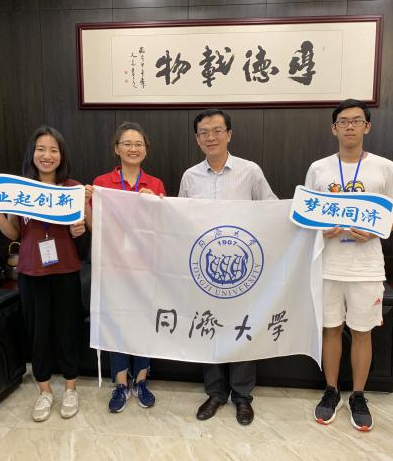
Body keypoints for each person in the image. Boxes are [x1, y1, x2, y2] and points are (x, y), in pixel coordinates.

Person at [0, 126, 86, 422]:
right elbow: (15, 232)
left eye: (53, 150)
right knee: (37, 332)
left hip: (65, 270)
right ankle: (44, 391)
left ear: (61, 155)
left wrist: (79, 229)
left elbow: (81, 230)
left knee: (68, 329)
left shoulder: (72, 189)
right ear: (32, 154)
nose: (47, 155)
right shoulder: (18, 189)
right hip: (30, 271)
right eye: (41, 149)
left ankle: (71, 388)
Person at [305, 99, 393, 431]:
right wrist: (321, 229)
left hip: (366, 267)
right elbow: (308, 215)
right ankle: (331, 391)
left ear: (367, 126)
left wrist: (375, 230)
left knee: (362, 332)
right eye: (343, 121)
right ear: (334, 129)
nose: (349, 126)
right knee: (330, 330)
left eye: (356, 121)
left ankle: (358, 395)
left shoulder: (385, 168)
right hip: (328, 264)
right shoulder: (319, 169)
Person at [178, 108, 277, 426]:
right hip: (205, 269)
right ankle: (216, 393)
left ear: (229, 134)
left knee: (242, 328)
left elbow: (272, 209)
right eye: (204, 132)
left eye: (217, 130)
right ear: (197, 139)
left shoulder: (250, 171)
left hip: (243, 267)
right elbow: (180, 220)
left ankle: (243, 396)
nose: (211, 137)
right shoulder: (190, 177)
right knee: (209, 327)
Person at [87, 121, 166, 413]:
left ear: (146, 150)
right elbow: (95, 227)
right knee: (116, 323)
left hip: (146, 268)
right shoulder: (102, 183)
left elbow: (163, 229)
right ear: (116, 148)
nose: (133, 148)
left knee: (143, 322)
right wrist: (87, 203)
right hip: (113, 268)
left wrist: (157, 205)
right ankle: (121, 383)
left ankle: (141, 380)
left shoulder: (155, 184)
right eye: (127, 143)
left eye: (138, 144)